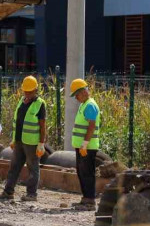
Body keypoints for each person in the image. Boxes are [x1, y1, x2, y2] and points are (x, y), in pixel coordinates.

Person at [0, 75, 46, 202]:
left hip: (32, 143)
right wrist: (13, 140)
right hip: (19, 141)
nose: (27, 94)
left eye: (30, 91)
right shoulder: (21, 101)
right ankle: (8, 192)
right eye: (26, 91)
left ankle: (31, 194)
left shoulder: (39, 104)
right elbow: (17, 122)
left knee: (33, 168)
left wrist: (41, 143)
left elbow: (42, 125)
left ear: (35, 90)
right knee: (14, 166)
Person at [65, 78, 101, 210]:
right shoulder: (84, 104)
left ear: (83, 92)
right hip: (82, 147)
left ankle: (90, 200)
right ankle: (86, 198)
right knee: (81, 172)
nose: (76, 98)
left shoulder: (90, 105)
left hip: (87, 147)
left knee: (87, 173)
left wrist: (85, 144)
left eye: (76, 95)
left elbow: (91, 126)